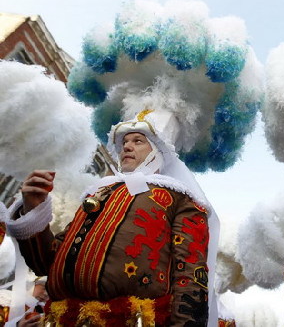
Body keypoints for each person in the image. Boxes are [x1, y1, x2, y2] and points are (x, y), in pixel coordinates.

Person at [4, 110, 219, 326]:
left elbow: (190, 275)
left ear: (158, 151)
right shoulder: (97, 193)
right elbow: (46, 263)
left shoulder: (181, 199)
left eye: (138, 141)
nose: (126, 146)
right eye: (125, 141)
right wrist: (33, 207)